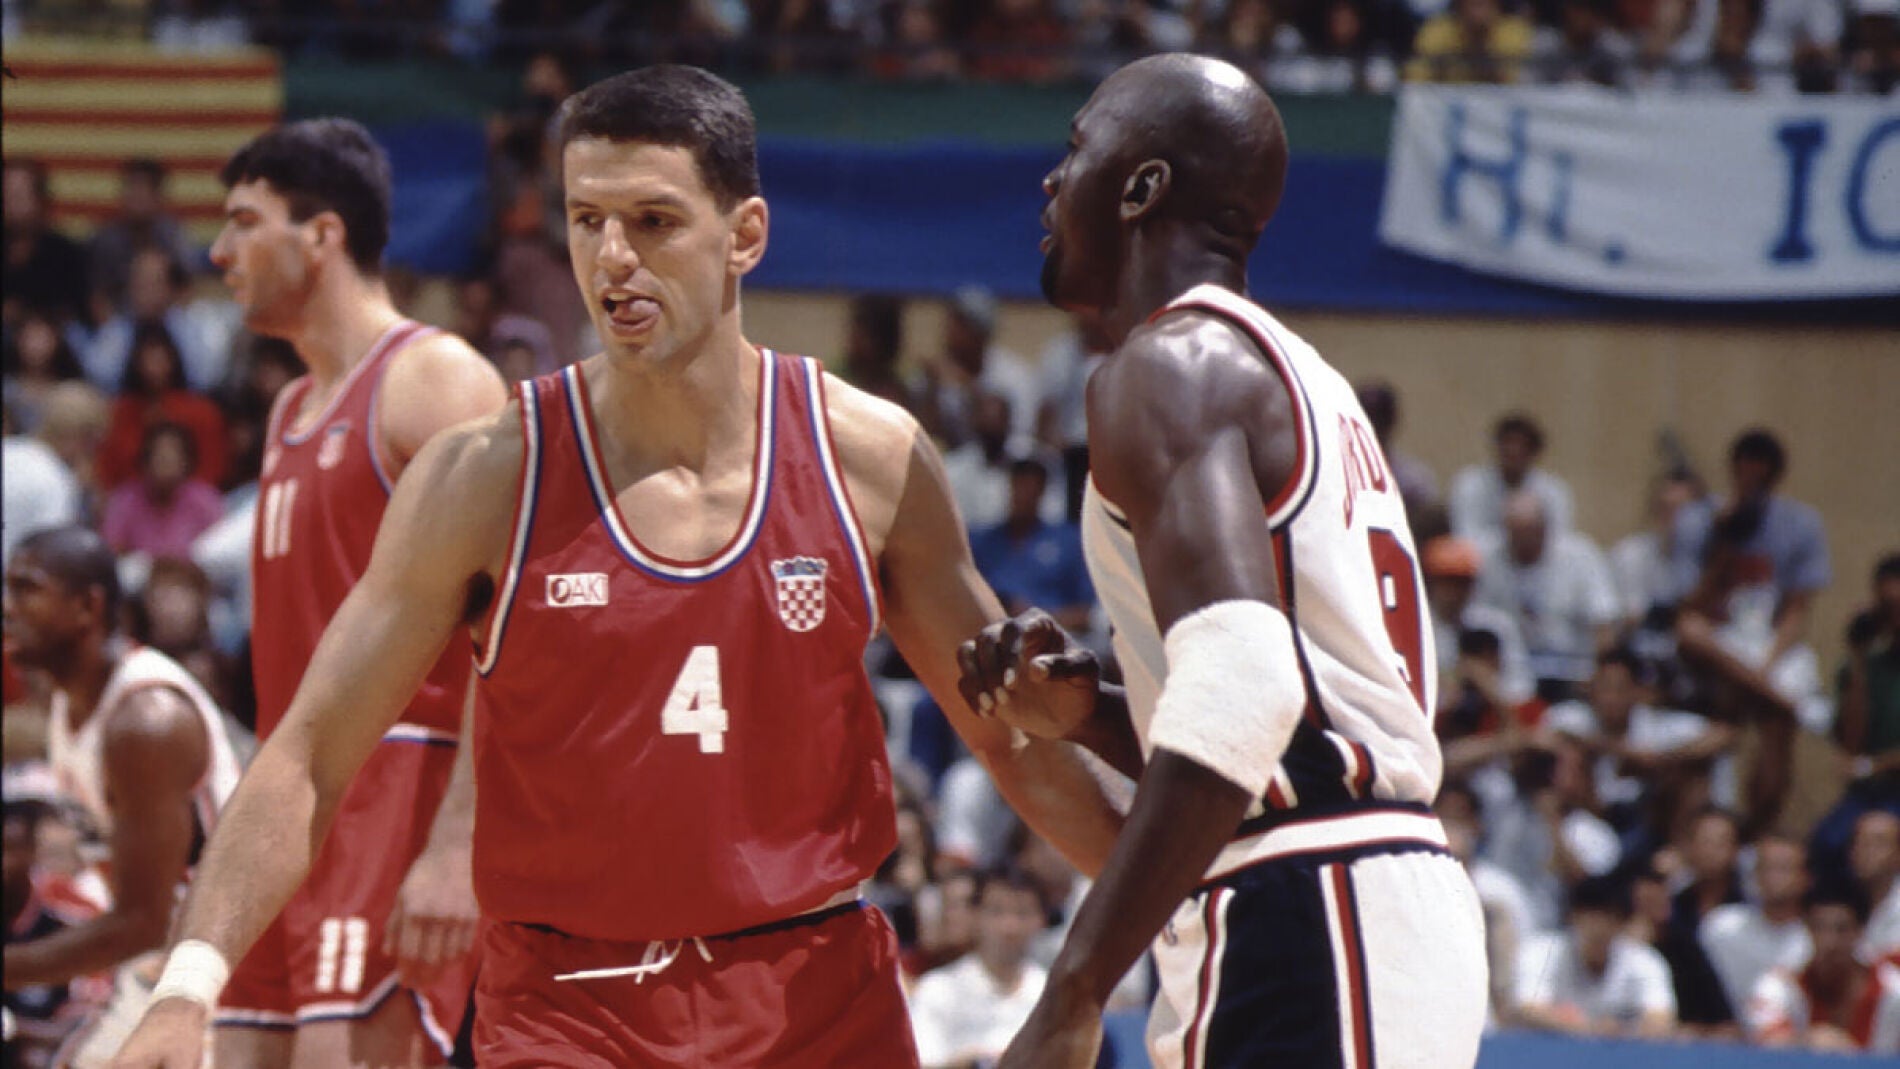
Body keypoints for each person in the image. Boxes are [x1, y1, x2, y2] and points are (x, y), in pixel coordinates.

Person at [115, 66, 1122, 1068]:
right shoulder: (487, 472)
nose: (612, 258)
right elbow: (308, 751)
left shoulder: (871, 458)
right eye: (585, 218)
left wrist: (1178, 901)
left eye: (652, 220)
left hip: (812, 992)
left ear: (746, 236)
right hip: (568, 1004)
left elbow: (1010, 741)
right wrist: (183, 987)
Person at [957, 53, 1487, 1068]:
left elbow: (1247, 687)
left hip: (1312, 902)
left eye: (1076, 149)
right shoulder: (1289, 371)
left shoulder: (1167, 367)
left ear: (1142, 187)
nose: (1050, 181)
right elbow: (1285, 720)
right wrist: (1092, 713)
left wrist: (1071, 991)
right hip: (1341, 889)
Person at [186, 119, 512, 1067]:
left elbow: (516, 629)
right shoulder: (289, 407)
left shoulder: (434, 380)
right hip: (295, 793)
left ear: (322, 235)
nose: (219, 251)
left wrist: (457, 845)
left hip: (401, 779)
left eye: (245, 221)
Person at [2, 527, 243, 1068]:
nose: (8, 607)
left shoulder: (146, 720)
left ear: (88, 606)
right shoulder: (71, 705)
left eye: (27, 590)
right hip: (161, 963)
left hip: (223, 967)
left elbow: (145, 920)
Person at [907, 866, 1051, 1069]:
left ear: (1041, 920)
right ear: (975, 916)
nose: (1009, 926)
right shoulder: (938, 988)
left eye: (1022, 913)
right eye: (997, 912)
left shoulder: (1051, 995)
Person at [1515, 875, 1678, 1038]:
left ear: (1622, 923)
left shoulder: (1644, 961)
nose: (1599, 928)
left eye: (1610, 918)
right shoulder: (1541, 952)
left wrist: (1622, 1031)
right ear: (1573, 917)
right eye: (1592, 917)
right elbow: (1529, 1009)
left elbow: (1661, 1020)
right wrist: (1590, 1028)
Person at [1747, 881, 1900, 1053]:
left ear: (1860, 931)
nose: (1829, 942)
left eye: (1842, 929)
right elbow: (1765, 1048)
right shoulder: (1780, 986)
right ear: (1806, 929)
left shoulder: (1894, 992)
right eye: (1819, 928)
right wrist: (1804, 1040)